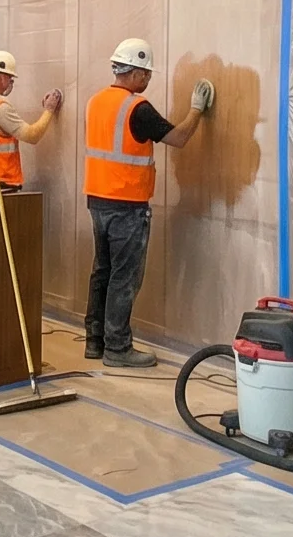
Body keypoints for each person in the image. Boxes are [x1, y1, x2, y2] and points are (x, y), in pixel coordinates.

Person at [83, 37, 211, 367]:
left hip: (98, 200)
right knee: (124, 277)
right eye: (147, 73)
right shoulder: (137, 108)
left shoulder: (96, 101)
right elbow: (179, 138)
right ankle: (117, 348)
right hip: (127, 204)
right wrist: (196, 110)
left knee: (102, 271)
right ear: (136, 72)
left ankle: (95, 341)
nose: (149, 79)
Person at [0, 50, 62, 188]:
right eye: (10, 79)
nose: (10, 83)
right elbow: (32, 135)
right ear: (2, 78)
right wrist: (49, 110)